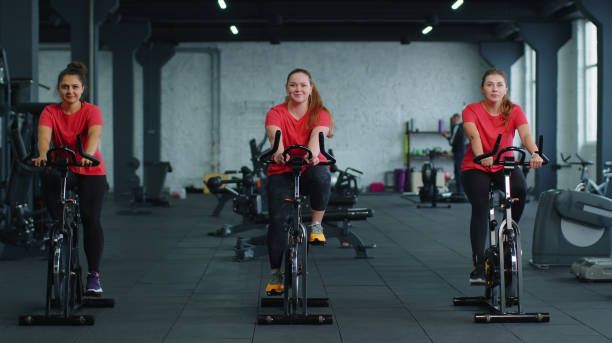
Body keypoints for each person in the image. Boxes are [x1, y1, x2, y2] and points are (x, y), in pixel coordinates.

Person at [461, 68, 543, 285]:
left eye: (499, 84)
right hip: (476, 165)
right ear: (482, 88)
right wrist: (481, 156)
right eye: (490, 84)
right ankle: (478, 265)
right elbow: (473, 135)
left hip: (503, 163)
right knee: (480, 205)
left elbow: (525, 135)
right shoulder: (471, 110)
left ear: (506, 88)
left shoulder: (514, 110)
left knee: (520, 189)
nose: (494, 89)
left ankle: (509, 232)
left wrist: (534, 152)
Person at [32, 62, 107, 295]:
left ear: (82, 89)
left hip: (90, 169)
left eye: (75, 87)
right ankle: (57, 223)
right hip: (65, 166)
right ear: (59, 89)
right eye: (65, 87)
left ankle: (93, 275)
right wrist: (43, 155)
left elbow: (94, 134)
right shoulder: (50, 112)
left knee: (90, 219)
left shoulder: (91, 111)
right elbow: (44, 137)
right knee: (49, 175)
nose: (70, 91)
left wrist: (88, 154)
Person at [263, 68, 335, 295]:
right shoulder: (276, 112)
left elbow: (317, 135)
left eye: (303, 85)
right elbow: (275, 135)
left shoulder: (320, 112)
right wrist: (279, 152)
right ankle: (276, 275)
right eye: (293, 85)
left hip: (310, 169)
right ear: (287, 88)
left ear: (310, 88)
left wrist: (312, 154)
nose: (298, 89)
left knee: (323, 174)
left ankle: (316, 225)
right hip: (282, 171)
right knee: (276, 221)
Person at [442, 113, 466, 194]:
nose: (452, 121)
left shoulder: (456, 127)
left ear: (456, 119)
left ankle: (460, 191)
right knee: (459, 170)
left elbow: (452, 141)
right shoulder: (462, 127)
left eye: (453, 119)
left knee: (458, 171)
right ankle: (460, 191)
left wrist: (446, 137)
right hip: (461, 150)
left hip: (459, 151)